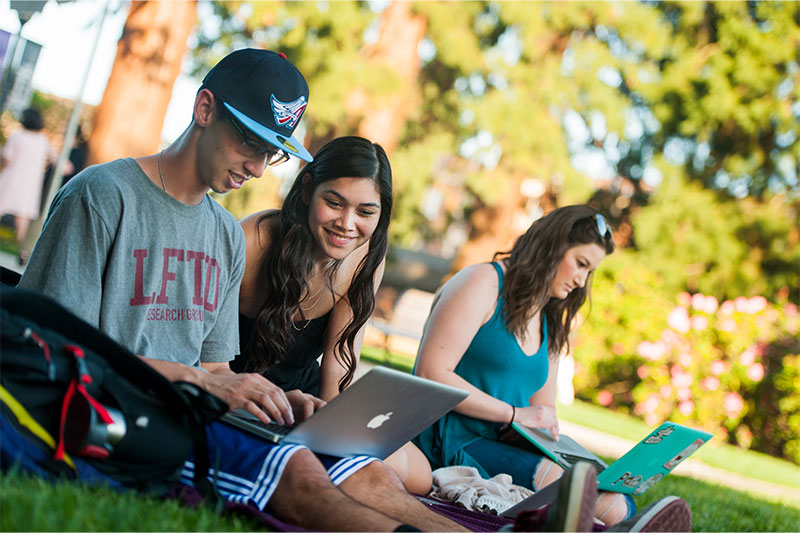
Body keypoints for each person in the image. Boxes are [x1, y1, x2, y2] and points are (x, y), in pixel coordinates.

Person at [17, 48, 463, 532]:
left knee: (371, 474)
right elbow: (52, 350)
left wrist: (273, 397)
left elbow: (215, 366)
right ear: (204, 109)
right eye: (249, 143)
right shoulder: (102, 195)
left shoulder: (223, 233)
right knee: (301, 479)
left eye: (271, 154)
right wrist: (206, 384)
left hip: (196, 408)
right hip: (121, 411)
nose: (257, 168)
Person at [230, 135, 433, 495]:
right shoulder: (253, 241)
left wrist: (331, 430)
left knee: (418, 474)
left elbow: (339, 369)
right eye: (334, 203)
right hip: (240, 388)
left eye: (366, 212)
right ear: (307, 189)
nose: (347, 224)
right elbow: (200, 355)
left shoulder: (363, 258)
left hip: (302, 394)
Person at [412, 205, 635, 527]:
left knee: (617, 497)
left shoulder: (551, 319)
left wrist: (539, 433)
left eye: (590, 272)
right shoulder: (483, 282)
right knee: (588, 497)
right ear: (551, 247)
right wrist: (513, 415)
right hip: (449, 438)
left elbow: (542, 410)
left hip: (501, 442)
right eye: (580, 264)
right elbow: (432, 373)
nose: (581, 280)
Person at [0, 108, 58, 256]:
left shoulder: (17, 136)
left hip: (11, 179)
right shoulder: (43, 141)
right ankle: (23, 252)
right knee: (23, 218)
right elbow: (56, 159)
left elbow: (7, 158)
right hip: (30, 184)